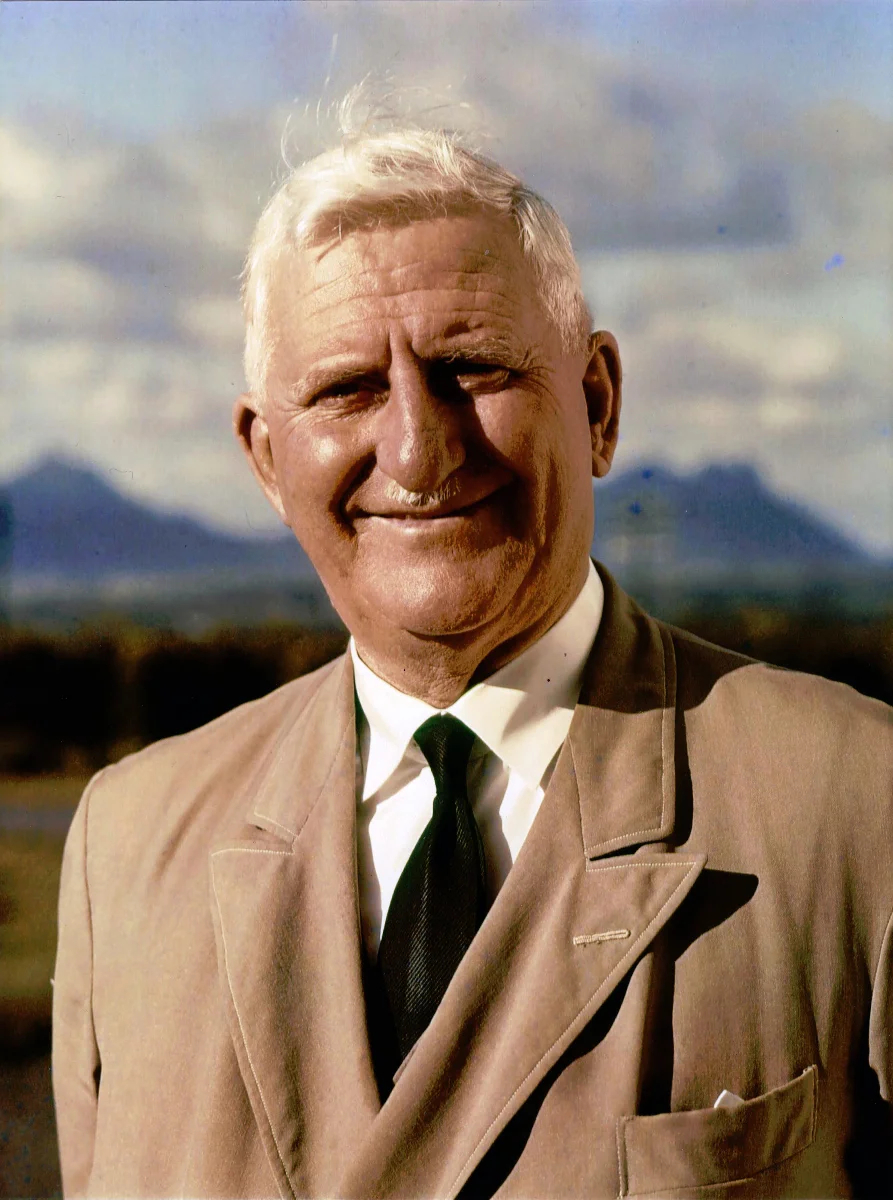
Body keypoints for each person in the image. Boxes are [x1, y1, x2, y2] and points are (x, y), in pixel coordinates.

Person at [52, 101, 893, 1199]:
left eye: (472, 368)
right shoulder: (124, 848)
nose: (418, 448)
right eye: (348, 389)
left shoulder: (854, 808)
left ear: (597, 404)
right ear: (265, 460)